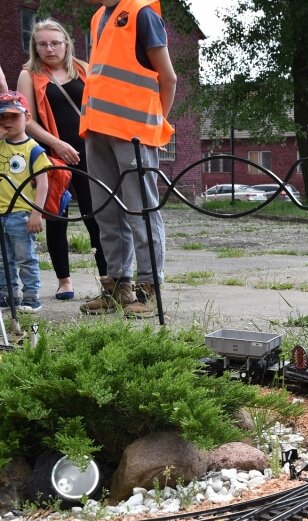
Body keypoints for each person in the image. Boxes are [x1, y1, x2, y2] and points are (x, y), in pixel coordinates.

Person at [79, 0, 177, 318]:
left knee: (140, 211)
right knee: (107, 213)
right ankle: (119, 288)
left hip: (133, 132)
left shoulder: (141, 13)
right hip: (97, 129)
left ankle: (150, 290)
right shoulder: (99, 18)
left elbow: (168, 77)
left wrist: (156, 124)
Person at [17, 18, 108, 301]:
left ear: (66, 43)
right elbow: (26, 120)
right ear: (35, 46)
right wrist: (57, 143)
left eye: (55, 43)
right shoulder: (28, 74)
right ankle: (64, 281)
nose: (49, 48)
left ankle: (109, 278)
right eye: (42, 44)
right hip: (53, 153)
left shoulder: (84, 69)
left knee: (97, 215)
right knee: (57, 216)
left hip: (90, 151)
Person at [0, 91, 49, 313]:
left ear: (27, 118)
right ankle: (7, 295)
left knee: (25, 257)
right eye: (2, 117)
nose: (7, 121)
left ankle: (31, 296)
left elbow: (43, 184)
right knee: (2, 260)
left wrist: (36, 213)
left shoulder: (34, 150)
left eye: (13, 116)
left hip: (21, 214)